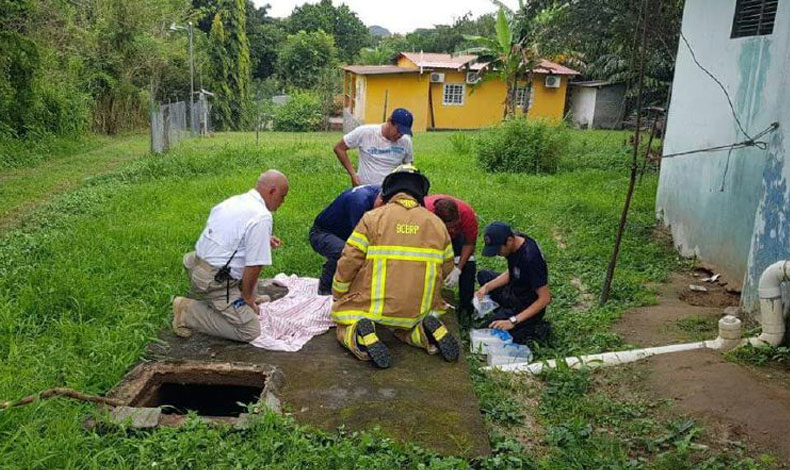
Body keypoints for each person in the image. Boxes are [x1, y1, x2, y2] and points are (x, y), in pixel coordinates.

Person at [331, 165, 459, 368]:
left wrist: (339, 293)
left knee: (343, 323)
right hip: (419, 308)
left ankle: (360, 337)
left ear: (389, 190)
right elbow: (447, 267)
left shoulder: (372, 219)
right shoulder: (437, 224)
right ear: (420, 194)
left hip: (374, 307)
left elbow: (349, 261)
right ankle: (426, 332)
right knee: (405, 329)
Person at [171, 170, 289, 342]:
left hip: (196, 264)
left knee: (248, 283)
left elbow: (228, 235)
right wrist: (248, 299)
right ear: (272, 191)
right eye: (282, 197)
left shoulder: (236, 201)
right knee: (250, 330)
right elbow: (254, 266)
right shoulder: (262, 216)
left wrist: (264, 239)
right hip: (213, 282)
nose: (282, 202)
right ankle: (187, 312)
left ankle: (239, 302)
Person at [475, 222, 552, 344]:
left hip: (524, 303)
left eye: (498, 250)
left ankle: (533, 326)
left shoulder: (531, 259)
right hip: (514, 288)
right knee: (483, 276)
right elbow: (512, 272)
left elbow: (545, 298)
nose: (497, 254)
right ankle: (502, 309)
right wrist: (486, 288)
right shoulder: (516, 241)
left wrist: (512, 321)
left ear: (509, 240)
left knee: (487, 330)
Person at [309, 184, 383, 295]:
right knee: (346, 253)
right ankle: (325, 289)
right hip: (321, 233)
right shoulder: (359, 203)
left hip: (344, 233)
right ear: (381, 200)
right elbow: (361, 244)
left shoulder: (380, 192)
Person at [424, 195, 478, 324]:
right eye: (449, 227)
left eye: (455, 225)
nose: (453, 230)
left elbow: (469, 244)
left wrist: (458, 269)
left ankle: (465, 310)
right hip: (430, 237)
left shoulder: (467, 214)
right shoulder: (424, 215)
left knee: (469, 264)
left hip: (459, 240)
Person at [333, 108, 414, 187]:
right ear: (389, 121)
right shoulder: (366, 132)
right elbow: (339, 148)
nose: (400, 135)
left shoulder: (406, 141)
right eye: (398, 131)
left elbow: (408, 166)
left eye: (403, 133)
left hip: (390, 190)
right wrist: (353, 174)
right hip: (365, 189)